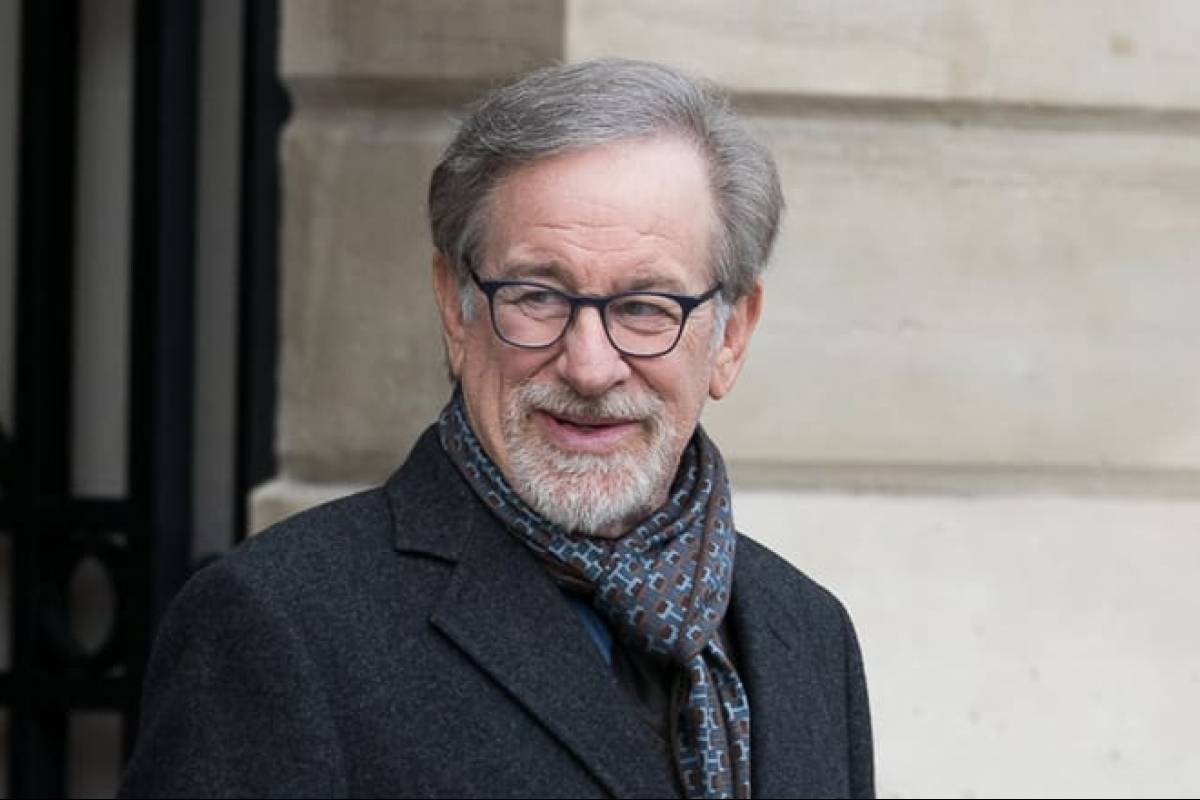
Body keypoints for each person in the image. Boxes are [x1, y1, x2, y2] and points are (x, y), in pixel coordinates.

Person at [118, 58, 874, 799]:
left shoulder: (807, 634)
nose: (589, 366)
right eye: (537, 296)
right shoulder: (279, 623)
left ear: (732, 336)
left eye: (646, 308)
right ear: (455, 308)